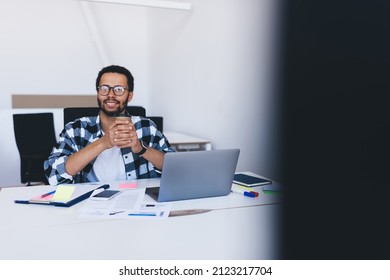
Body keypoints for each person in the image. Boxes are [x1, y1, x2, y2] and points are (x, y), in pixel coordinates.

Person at [44, 65, 174, 185]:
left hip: (137, 199)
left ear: (129, 96)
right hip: (89, 202)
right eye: (104, 89)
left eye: (119, 89)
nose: (110, 95)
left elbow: (174, 168)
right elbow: (53, 175)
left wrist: (140, 148)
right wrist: (103, 143)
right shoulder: (75, 129)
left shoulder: (147, 127)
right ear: (98, 93)